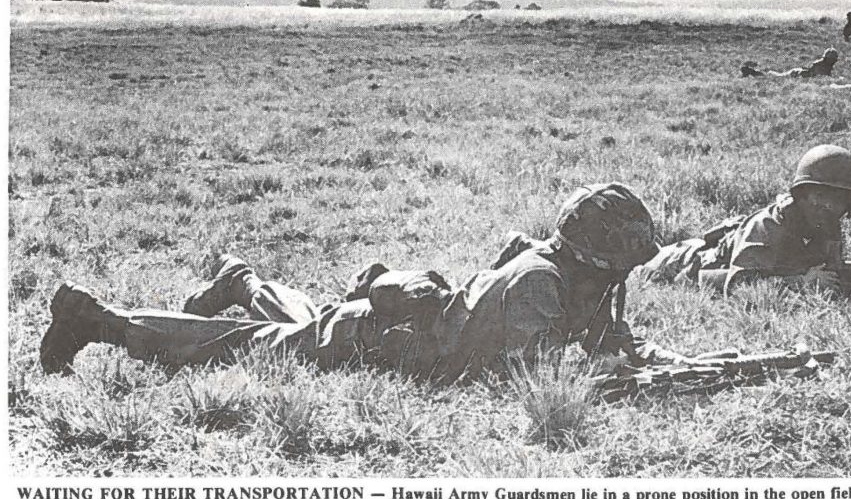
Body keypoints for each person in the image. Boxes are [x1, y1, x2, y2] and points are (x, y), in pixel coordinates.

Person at [40, 183, 684, 381]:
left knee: (293, 327)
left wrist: (646, 357)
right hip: (384, 342)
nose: (621, 280)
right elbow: (526, 378)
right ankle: (96, 320)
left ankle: (239, 277)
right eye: (618, 268)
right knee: (231, 346)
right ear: (593, 259)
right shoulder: (541, 284)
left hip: (399, 329)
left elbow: (605, 337)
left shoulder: (577, 276)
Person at [640, 145, 851, 297]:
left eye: (838, 200)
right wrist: (803, 284)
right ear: (802, 194)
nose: (828, 206)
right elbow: (738, 287)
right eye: (820, 196)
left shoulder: (826, 226)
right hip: (677, 265)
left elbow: (829, 277)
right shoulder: (766, 226)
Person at [740, 48, 839, 78]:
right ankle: (751, 72)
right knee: (774, 77)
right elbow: (820, 77)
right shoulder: (820, 65)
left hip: (798, 73)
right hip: (796, 74)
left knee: (775, 76)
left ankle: (752, 72)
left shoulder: (824, 65)